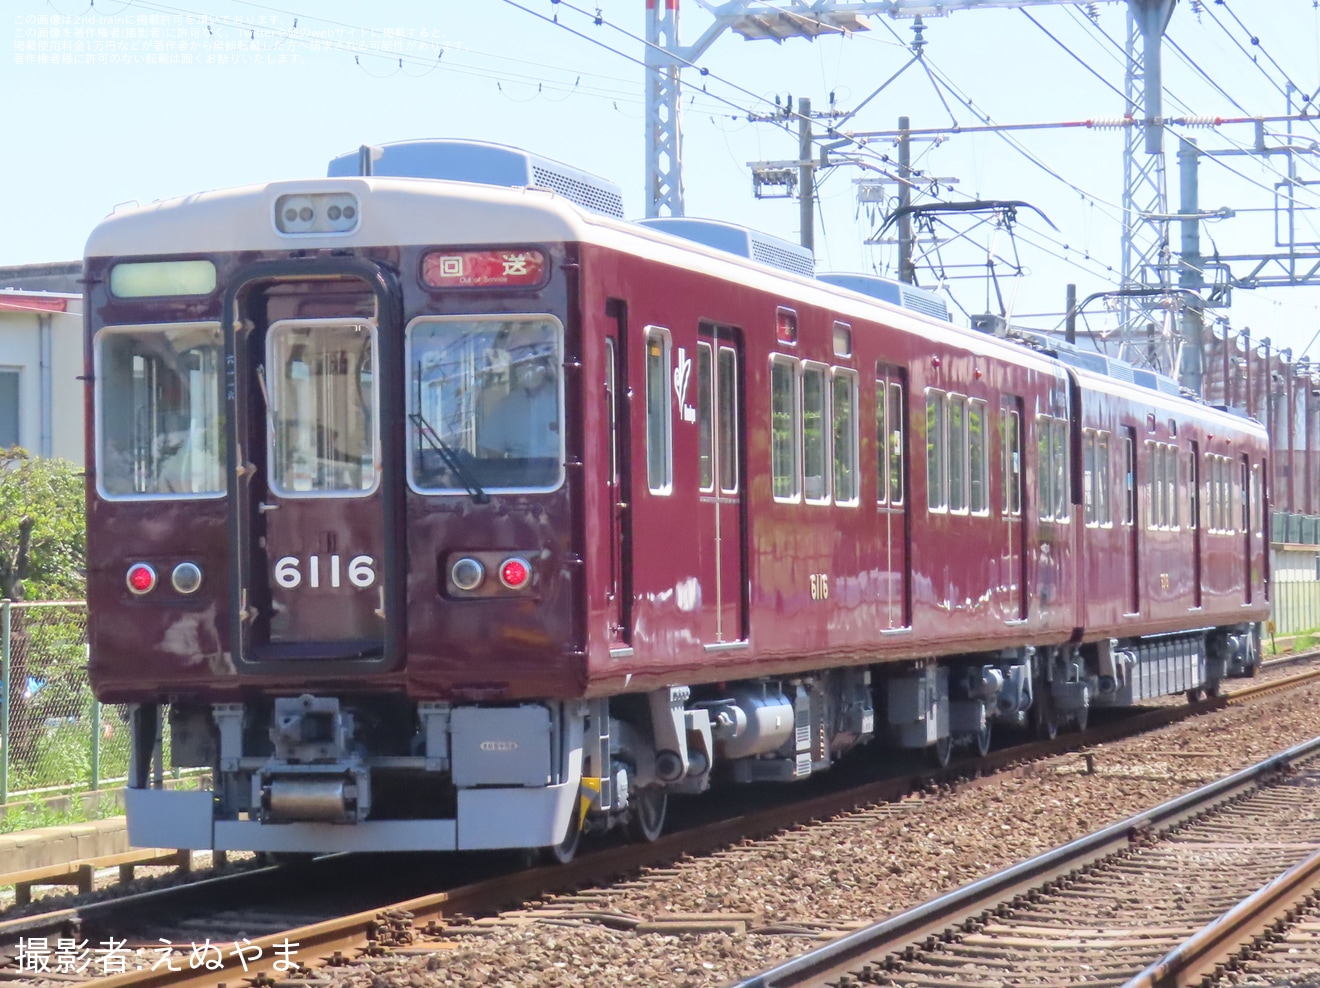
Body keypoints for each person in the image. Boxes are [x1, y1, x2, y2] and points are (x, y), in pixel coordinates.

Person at [479, 356, 560, 460]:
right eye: (522, 363)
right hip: (518, 473)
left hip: (561, 471)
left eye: (533, 361)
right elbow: (493, 453)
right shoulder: (505, 406)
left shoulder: (563, 400)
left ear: (544, 365)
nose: (528, 366)